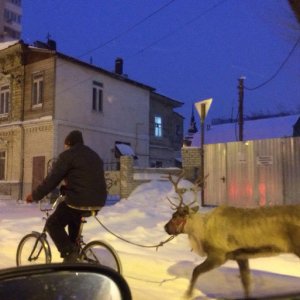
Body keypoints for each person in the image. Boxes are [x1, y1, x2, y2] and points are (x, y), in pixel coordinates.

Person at [26, 130, 107, 262]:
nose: (65, 148)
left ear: (69, 143)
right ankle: (74, 253)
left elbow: (52, 180)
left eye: (65, 146)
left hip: (79, 201)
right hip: (98, 201)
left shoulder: (68, 156)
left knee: (52, 223)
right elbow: (84, 179)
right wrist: (67, 188)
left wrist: (34, 195)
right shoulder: (94, 155)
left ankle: (69, 253)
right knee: (73, 216)